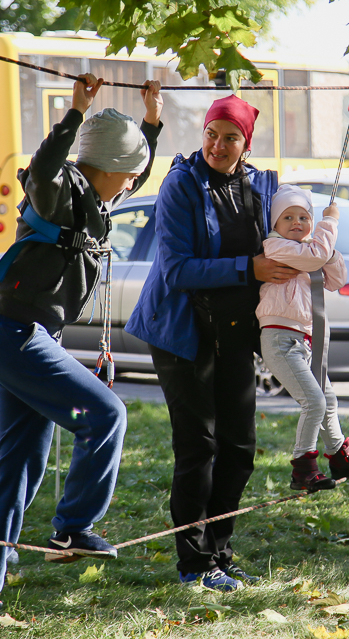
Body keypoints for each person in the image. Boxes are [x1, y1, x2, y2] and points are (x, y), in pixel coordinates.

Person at [0, 73, 163, 639]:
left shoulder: (95, 197)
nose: (132, 185)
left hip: (27, 336)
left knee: (20, 467)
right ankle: (72, 527)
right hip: (17, 334)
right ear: (106, 168)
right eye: (130, 174)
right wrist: (74, 113)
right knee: (107, 414)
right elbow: (43, 168)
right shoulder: (59, 186)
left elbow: (128, 170)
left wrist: (151, 121)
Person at [126, 95, 294, 592]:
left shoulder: (261, 184)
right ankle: (194, 565)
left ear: (247, 142)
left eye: (230, 137)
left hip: (237, 331)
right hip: (183, 332)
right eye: (211, 134)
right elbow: (176, 269)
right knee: (198, 446)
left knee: (239, 448)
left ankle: (219, 551)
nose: (218, 146)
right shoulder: (181, 184)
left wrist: (313, 246)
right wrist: (249, 268)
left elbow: (284, 236)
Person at [255, 185, 349, 491]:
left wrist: (329, 250)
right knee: (313, 401)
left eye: (303, 217)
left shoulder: (310, 251)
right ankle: (303, 470)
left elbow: (337, 279)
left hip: (305, 341)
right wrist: (330, 223)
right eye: (288, 217)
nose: (297, 222)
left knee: (328, 399)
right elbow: (315, 257)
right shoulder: (275, 247)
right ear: (275, 225)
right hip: (280, 340)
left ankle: (339, 455)